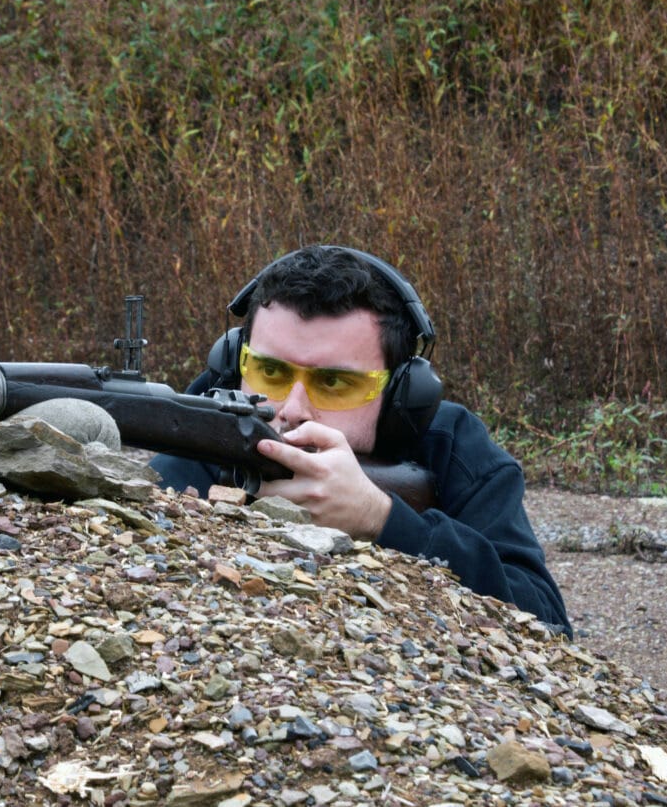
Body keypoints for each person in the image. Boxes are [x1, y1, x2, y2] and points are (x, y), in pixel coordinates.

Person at [150, 246, 572, 636]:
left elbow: (547, 622)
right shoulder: (204, 427)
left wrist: (383, 518)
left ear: (400, 397)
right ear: (234, 363)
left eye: (334, 382)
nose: (292, 408)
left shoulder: (452, 450)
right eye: (271, 373)